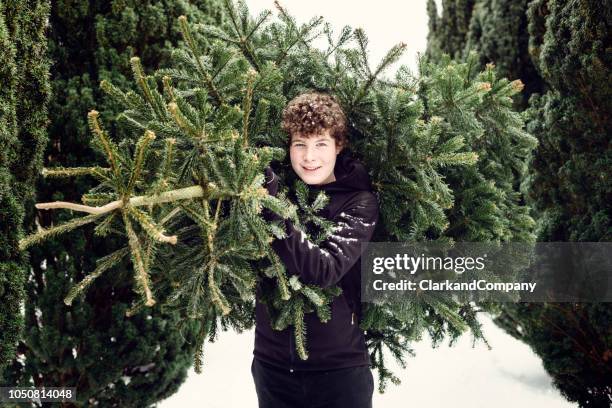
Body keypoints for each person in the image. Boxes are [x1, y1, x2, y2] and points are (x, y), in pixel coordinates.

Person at [252, 92, 379, 408]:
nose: (309, 157)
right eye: (300, 144)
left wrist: (272, 207)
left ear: (338, 146)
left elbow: (324, 270)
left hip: (339, 373)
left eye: (320, 144)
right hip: (271, 366)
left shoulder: (359, 203)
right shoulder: (281, 191)